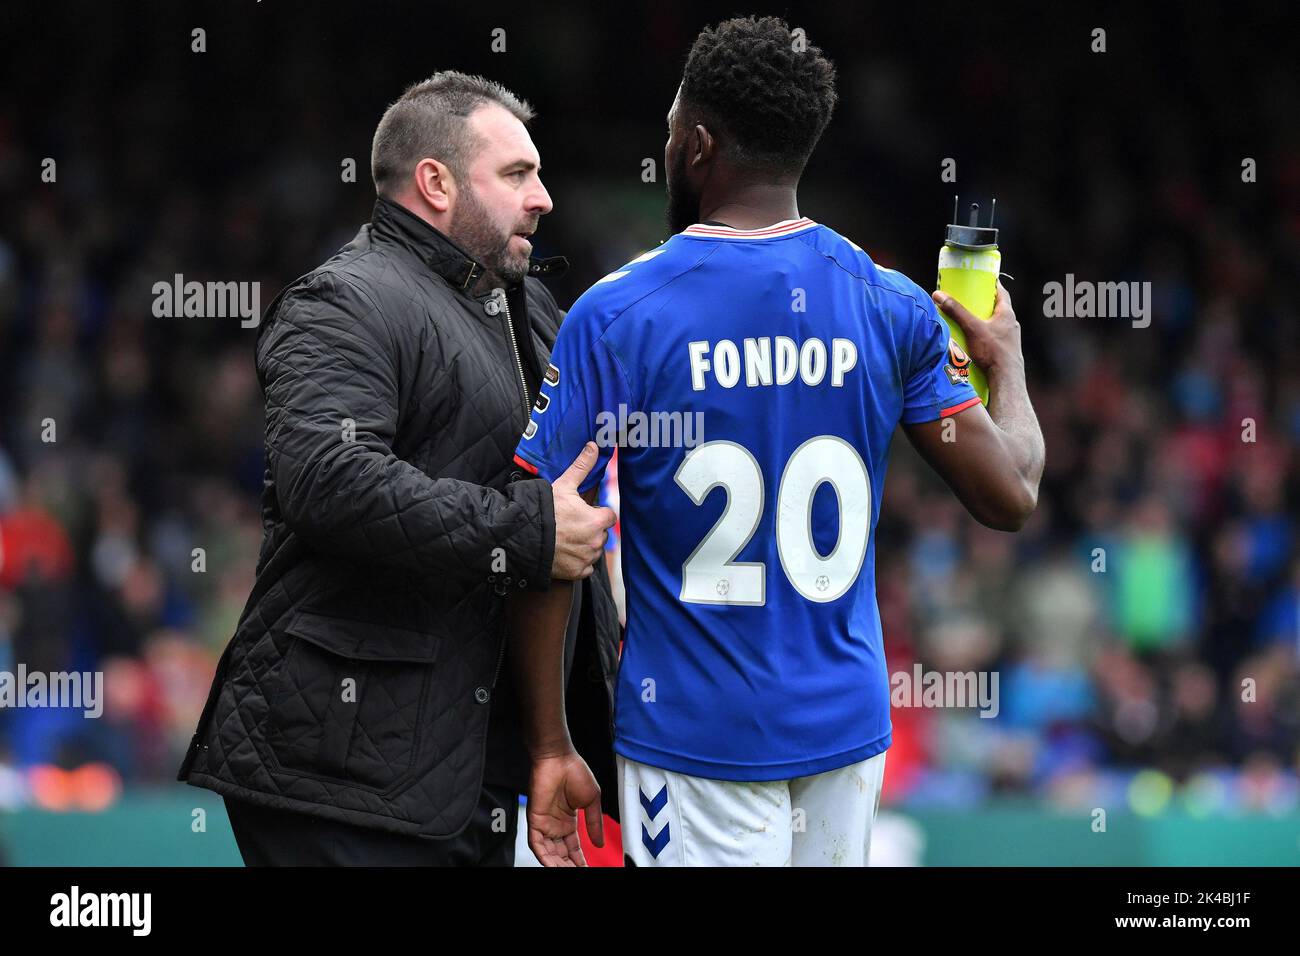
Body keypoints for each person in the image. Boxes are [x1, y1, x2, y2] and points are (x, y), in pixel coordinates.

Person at [508, 17, 1044, 866]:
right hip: (847, 733)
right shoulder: (887, 302)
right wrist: (1006, 367)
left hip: (695, 741)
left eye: (674, 127)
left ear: (699, 144)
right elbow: (1012, 494)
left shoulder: (617, 315)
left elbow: (543, 531)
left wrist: (549, 745)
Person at [176, 72, 621, 866]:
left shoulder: (530, 311)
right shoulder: (343, 300)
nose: (544, 197)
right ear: (436, 183)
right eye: (517, 174)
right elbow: (329, 479)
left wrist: (555, 742)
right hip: (338, 776)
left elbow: (562, 528)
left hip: (462, 775)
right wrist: (525, 531)